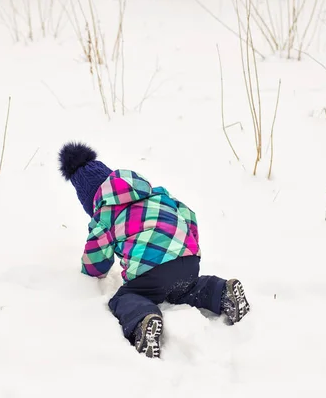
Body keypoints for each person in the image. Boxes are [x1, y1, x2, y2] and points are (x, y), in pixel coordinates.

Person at [58, 141, 250, 358]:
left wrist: (89, 272)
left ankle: (143, 320)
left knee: (126, 297)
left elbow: (96, 262)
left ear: (90, 202)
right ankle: (222, 291)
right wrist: (188, 246)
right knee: (187, 289)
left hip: (151, 271)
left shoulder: (104, 215)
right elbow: (189, 215)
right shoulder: (157, 194)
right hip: (188, 260)